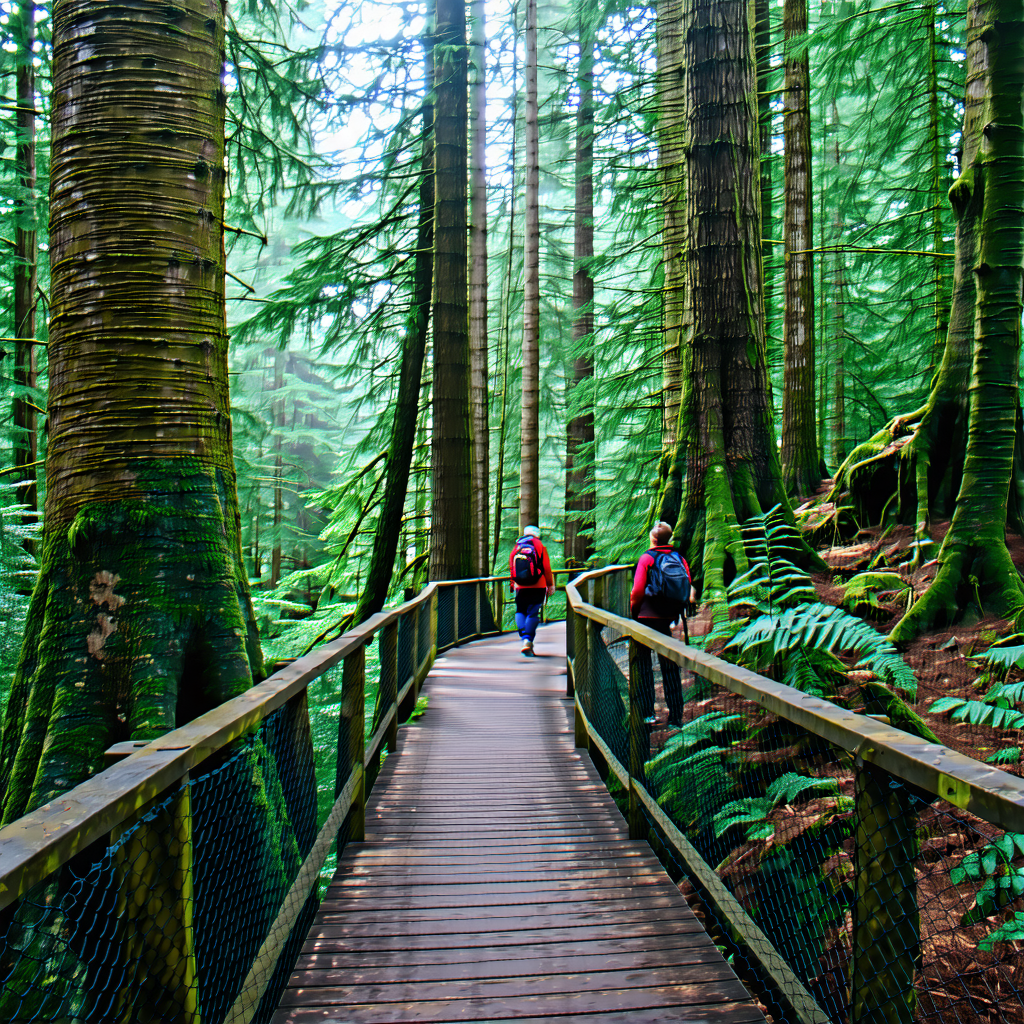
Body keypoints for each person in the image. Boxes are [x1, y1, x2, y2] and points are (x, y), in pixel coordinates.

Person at [630, 521, 693, 728]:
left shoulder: (647, 558)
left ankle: (648, 713)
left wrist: (634, 612)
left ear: (652, 539)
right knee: (669, 665)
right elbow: (687, 586)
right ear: (669, 538)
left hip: (646, 618)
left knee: (644, 666)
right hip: (668, 618)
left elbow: (637, 591)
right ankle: (675, 716)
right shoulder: (679, 558)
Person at [509, 525, 555, 656]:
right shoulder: (539, 545)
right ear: (537, 534)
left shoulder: (517, 546)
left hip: (520, 586)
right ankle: (527, 640)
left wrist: (513, 583)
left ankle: (524, 635)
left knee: (520, 610)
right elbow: (546, 567)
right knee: (533, 613)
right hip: (538, 585)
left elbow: (512, 567)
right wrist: (550, 584)